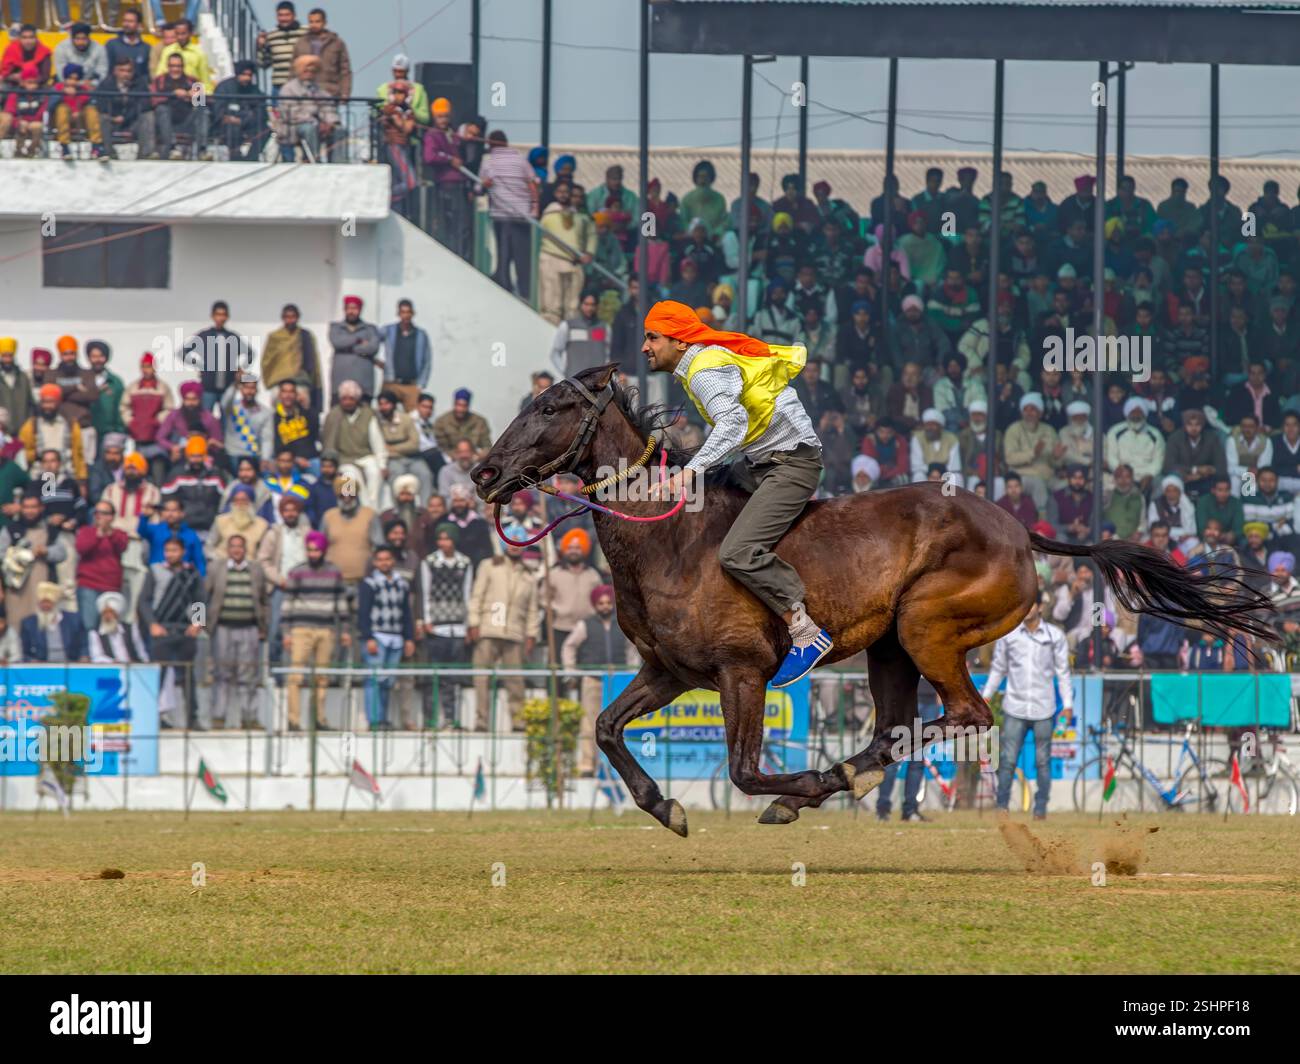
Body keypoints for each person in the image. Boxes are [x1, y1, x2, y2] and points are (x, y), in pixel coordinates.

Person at [642, 300, 829, 687]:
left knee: (736, 552)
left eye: (652, 337)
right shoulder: (699, 363)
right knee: (707, 493)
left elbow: (733, 425)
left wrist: (689, 472)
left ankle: (805, 631)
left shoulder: (703, 371)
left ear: (679, 342)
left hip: (790, 465)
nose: (645, 347)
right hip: (762, 462)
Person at [981, 599, 1072, 820]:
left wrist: (1068, 705)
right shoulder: (1009, 635)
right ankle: (1002, 807)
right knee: (1008, 759)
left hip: (1044, 708)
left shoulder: (1054, 636)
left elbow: (1063, 673)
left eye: (1032, 604)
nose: (1027, 609)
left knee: (1042, 761)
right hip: (1015, 707)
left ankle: (1040, 809)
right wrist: (986, 696)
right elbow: (998, 669)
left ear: (1040, 607)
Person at [468, 523, 539, 731]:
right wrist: (473, 622)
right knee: (482, 678)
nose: (514, 546)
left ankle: (518, 721)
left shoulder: (529, 575)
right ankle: (482, 721)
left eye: (519, 542)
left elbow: (533, 609)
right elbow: (477, 596)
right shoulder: (489, 566)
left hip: (515, 632)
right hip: (489, 628)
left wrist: (532, 634)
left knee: (515, 680)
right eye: (510, 541)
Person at [562, 583, 636, 776]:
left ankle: (616, 766)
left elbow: (632, 649)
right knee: (589, 722)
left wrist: (631, 671)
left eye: (608, 602)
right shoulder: (584, 625)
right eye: (601, 603)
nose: (605, 606)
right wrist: (571, 670)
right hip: (592, 680)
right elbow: (569, 646)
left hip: (618, 681)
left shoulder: (622, 624)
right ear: (595, 605)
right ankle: (587, 764)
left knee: (619, 724)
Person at [282, 530, 350, 731]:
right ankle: (293, 720)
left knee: (322, 675)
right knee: (296, 675)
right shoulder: (297, 572)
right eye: (309, 550)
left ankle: (319, 718)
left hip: (325, 629)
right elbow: (288, 603)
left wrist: (344, 630)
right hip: (301, 629)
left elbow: (341, 603)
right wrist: (286, 632)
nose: (313, 554)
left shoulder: (334, 572)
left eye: (316, 550)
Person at [139, 535, 205, 728]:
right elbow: (144, 600)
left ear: (182, 552)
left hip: (185, 630)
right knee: (157, 675)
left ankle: (193, 719)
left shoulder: (191, 572)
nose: (170, 554)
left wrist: (197, 622)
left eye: (174, 550)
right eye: (167, 550)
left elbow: (199, 599)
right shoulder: (155, 571)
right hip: (163, 629)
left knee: (188, 676)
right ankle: (152, 718)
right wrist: (152, 623)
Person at [205, 533, 268, 729]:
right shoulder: (216, 568)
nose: (236, 550)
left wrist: (263, 626)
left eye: (240, 547)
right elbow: (201, 596)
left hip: (249, 628)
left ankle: (249, 717)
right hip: (223, 627)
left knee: (248, 673)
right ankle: (218, 716)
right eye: (233, 547)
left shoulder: (256, 569)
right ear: (227, 549)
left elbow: (264, 600)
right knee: (221, 673)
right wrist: (200, 624)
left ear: (245, 549)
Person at [414, 522, 473, 728]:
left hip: (456, 627)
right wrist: (426, 620)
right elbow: (425, 591)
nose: (443, 543)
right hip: (436, 627)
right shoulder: (429, 562)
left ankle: (451, 718)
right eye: (441, 539)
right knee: (433, 675)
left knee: (452, 676)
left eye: (447, 539)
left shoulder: (465, 563)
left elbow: (467, 594)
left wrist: (467, 624)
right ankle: (430, 719)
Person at [357, 545, 415, 730]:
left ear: (392, 561)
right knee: (374, 679)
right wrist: (368, 637)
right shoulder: (369, 584)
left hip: (396, 637)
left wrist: (409, 638)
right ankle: (375, 720)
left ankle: (383, 718)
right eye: (380, 560)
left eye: (387, 559)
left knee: (388, 681)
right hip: (377, 636)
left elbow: (406, 613)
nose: (384, 563)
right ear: (375, 562)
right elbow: (363, 613)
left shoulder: (401, 584)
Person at [479, 129, 539, 298]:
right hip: (523, 215)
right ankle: (526, 292)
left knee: (504, 254)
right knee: (523, 257)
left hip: (501, 215)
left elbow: (480, 186)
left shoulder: (489, 162)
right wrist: (534, 207)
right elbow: (533, 182)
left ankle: (504, 288)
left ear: (490, 144)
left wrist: (483, 187)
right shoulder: (521, 160)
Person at [74, 500, 128, 626]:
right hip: (89, 586)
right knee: (89, 626)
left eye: (104, 513)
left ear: (112, 516)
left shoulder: (119, 534)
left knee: (110, 627)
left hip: (111, 587)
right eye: (96, 513)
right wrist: (97, 535)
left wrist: (109, 534)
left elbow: (122, 546)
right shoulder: (86, 531)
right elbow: (81, 548)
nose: (99, 516)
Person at [379, 300, 432, 412]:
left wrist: (421, 383)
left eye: (408, 312)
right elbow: (372, 340)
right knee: (386, 415)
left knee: (413, 419)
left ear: (413, 313)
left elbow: (427, 360)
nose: (406, 315)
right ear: (398, 314)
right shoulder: (389, 330)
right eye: (403, 312)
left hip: (412, 385)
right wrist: (375, 361)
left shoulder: (421, 334)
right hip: (392, 382)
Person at [20, 581, 86, 663]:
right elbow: (24, 653)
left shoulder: (73, 620)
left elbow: (83, 644)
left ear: (55, 603)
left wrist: (84, 656)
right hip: (43, 666)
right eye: (43, 602)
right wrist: (32, 661)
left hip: (69, 664)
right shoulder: (29, 624)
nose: (45, 606)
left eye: (48, 602)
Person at [87, 591, 149, 664]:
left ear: (117, 615)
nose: (107, 617)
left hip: (133, 669)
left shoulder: (131, 629)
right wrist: (113, 662)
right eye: (105, 613)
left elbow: (141, 651)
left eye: (111, 612)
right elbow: (96, 656)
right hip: (110, 670)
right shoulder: (94, 633)